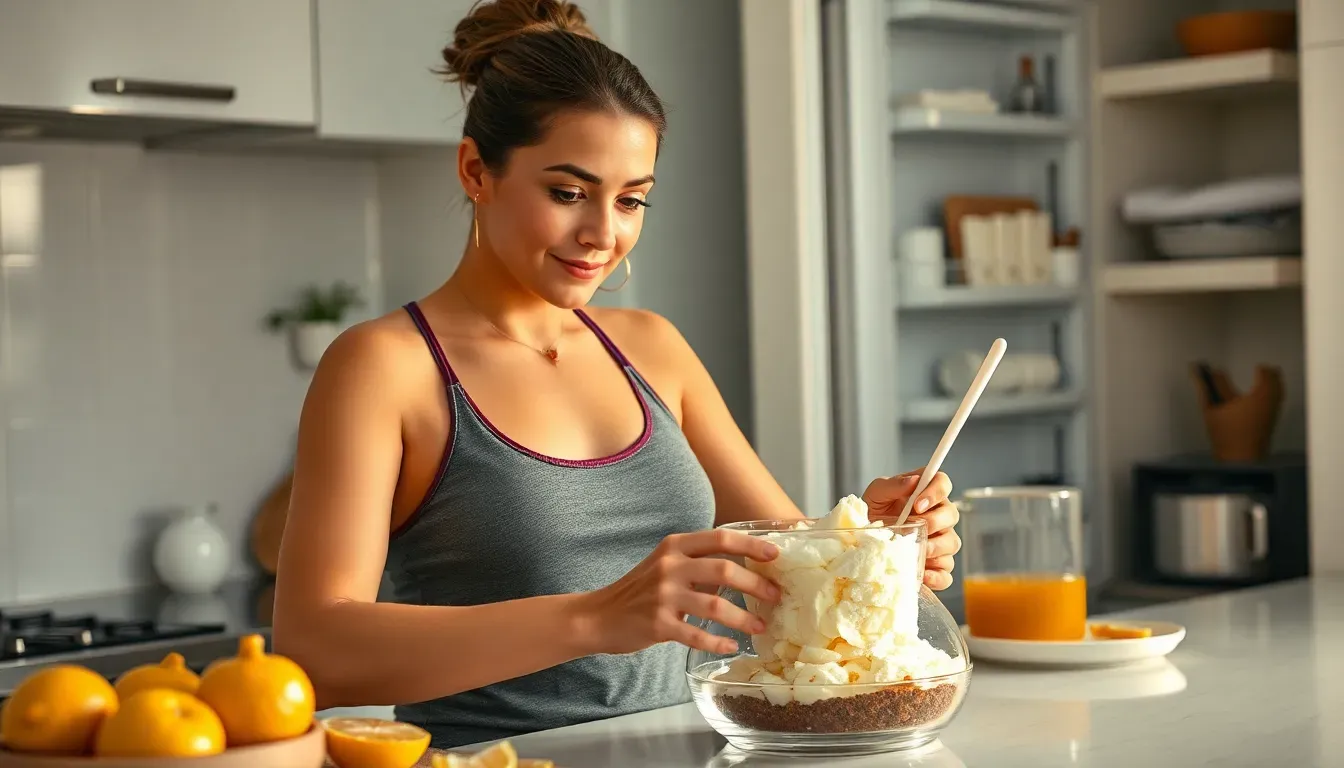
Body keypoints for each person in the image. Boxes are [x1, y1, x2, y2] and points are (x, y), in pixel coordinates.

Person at [271, 0, 961, 751]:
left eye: (631, 199)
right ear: (476, 170)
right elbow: (315, 650)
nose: (604, 233)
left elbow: (787, 565)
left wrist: (877, 544)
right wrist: (594, 617)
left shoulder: (653, 348)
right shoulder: (386, 367)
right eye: (568, 193)